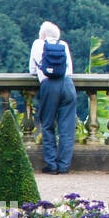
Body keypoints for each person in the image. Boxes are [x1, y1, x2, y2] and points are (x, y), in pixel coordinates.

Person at [28, 21, 77, 174]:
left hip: (49, 86)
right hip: (68, 85)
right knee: (67, 128)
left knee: (48, 125)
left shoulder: (38, 44)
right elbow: (69, 70)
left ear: (42, 34)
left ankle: (52, 165)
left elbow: (32, 70)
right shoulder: (63, 44)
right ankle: (64, 166)